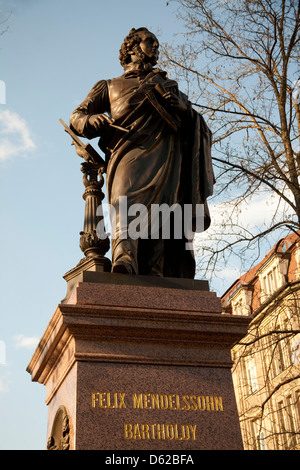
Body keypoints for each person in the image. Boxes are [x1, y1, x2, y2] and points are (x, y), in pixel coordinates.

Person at [70, 27, 214, 278]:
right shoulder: (110, 86)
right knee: (125, 203)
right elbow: (76, 118)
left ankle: (155, 270)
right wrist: (92, 121)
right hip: (127, 154)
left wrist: (184, 109)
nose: (156, 47)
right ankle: (125, 260)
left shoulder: (169, 88)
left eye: (157, 43)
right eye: (150, 42)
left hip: (168, 158)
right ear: (133, 48)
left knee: (164, 213)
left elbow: (198, 127)